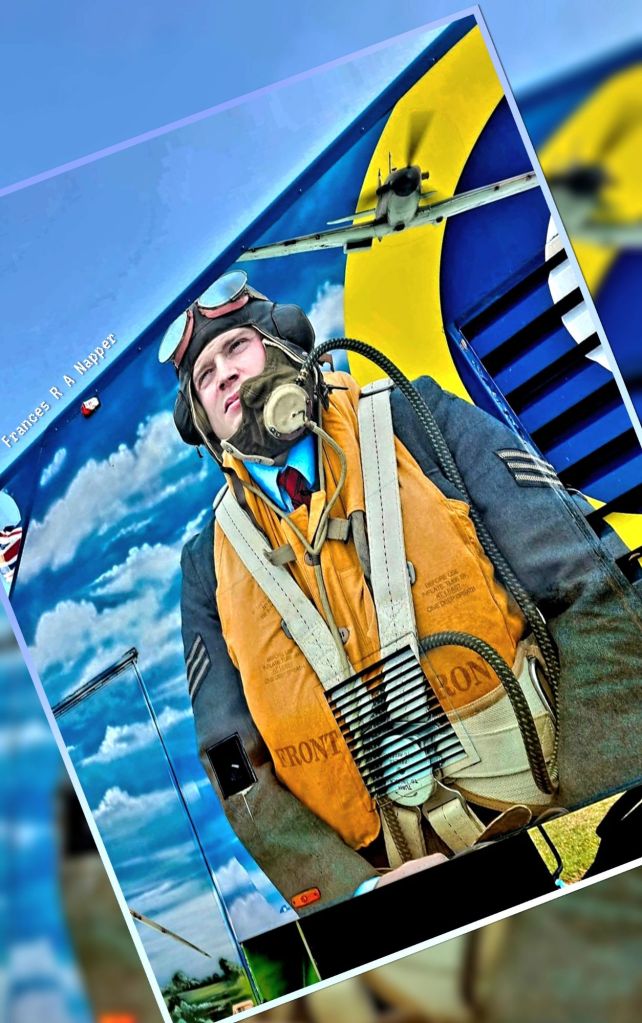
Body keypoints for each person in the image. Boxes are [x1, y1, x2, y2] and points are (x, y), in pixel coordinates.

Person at [162, 271, 642, 913]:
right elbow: (230, 761)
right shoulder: (206, 567)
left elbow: (587, 588)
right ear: (200, 420)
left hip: (558, 811)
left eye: (235, 347)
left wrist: (598, 801)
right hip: (403, 892)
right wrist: (356, 893)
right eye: (204, 375)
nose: (223, 374)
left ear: (282, 341)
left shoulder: (420, 419)